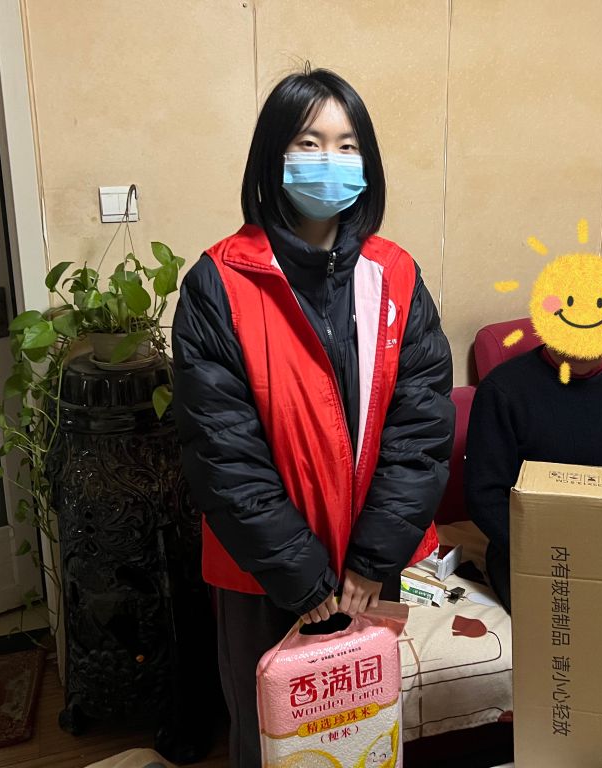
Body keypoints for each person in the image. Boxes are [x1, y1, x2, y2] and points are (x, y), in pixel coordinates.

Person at [172, 68, 454, 768]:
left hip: (370, 568)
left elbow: (421, 430)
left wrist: (369, 564)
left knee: (363, 733)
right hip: (262, 574)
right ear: (273, 155)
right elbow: (222, 453)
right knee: (272, 739)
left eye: (347, 144)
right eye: (309, 142)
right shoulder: (218, 283)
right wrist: (303, 579)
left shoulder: (396, 276)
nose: (330, 160)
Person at [465, 347, 602, 613]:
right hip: (535, 551)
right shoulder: (502, 389)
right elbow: (484, 494)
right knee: (573, 619)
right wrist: (548, 554)